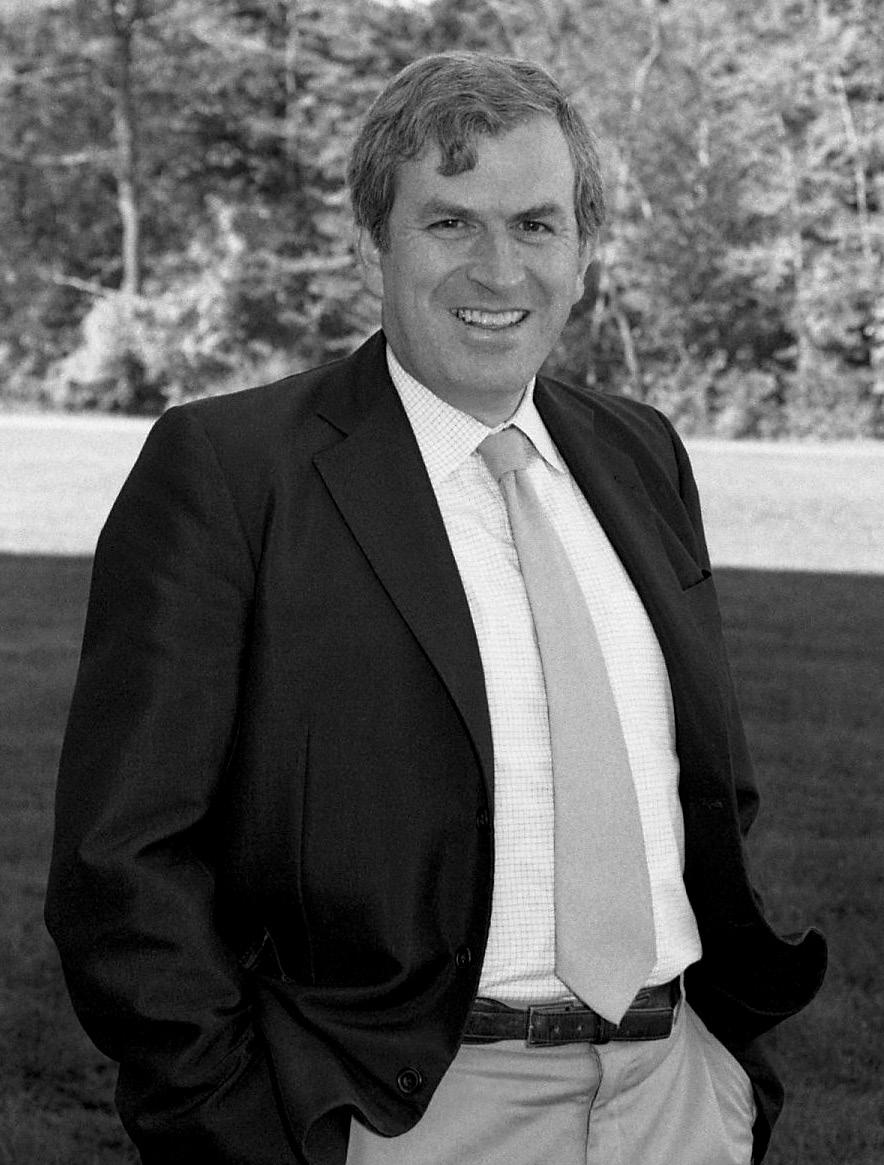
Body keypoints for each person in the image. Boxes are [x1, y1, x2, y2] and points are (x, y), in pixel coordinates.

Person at [46, 51, 826, 1165]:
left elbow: (703, 785)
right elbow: (120, 860)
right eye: (450, 223)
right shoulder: (232, 473)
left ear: (583, 249)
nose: (497, 268)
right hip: (404, 1114)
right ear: (371, 243)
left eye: (536, 224)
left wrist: (728, 1074)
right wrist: (236, 1124)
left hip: (676, 1098)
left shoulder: (640, 452)